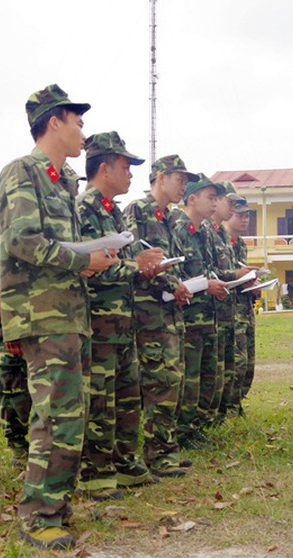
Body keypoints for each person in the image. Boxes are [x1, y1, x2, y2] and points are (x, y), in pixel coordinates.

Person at [0, 84, 118, 549]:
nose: (83, 131)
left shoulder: (62, 181)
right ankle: (37, 514)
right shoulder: (21, 173)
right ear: (54, 122)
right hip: (42, 315)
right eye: (78, 121)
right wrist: (83, 260)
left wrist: (89, 258)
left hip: (68, 313)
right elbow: (22, 242)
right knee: (54, 415)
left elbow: (56, 248)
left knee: (70, 414)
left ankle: (56, 505)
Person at [76, 132, 164, 499]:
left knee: (128, 395)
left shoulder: (111, 213)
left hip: (122, 322)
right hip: (97, 322)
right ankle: (95, 471)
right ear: (105, 167)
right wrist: (135, 265)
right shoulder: (83, 210)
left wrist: (139, 267)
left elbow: (117, 263)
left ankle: (126, 462)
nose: (130, 175)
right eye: (126, 167)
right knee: (100, 400)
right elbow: (90, 265)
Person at [124, 155, 194, 478]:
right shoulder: (137, 211)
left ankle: (167, 446)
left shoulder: (169, 218)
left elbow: (173, 261)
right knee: (158, 379)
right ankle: (156, 452)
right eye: (179, 179)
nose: (183, 186)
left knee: (173, 377)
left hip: (170, 309)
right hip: (148, 310)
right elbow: (135, 260)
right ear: (161, 177)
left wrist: (182, 285)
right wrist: (171, 283)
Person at [173, 175, 229, 445]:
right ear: (192, 199)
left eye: (217, 198)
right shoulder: (178, 229)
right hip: (189, 316)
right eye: (210, 197)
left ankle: (194, 426)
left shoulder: (204, 231)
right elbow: (176, 275)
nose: (215, 203)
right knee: (190, 377)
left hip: (207, 314)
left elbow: (208, 270)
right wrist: (205, 285)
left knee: (206, 374)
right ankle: (181, 431)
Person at [0, 214, 31, 468]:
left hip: (39, 319)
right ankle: (19, 447)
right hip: (10, 319)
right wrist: (9, 328)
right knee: (14, 388)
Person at [204, 183, 255, 422]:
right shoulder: (207, 232)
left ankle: (231, 406)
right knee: (224, 364)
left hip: (237, 307)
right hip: (217, 311)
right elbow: (210, 271)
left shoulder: (228, 238)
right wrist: (236, 275)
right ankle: (218, 412)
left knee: (241, 362)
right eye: (233, 207)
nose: (243, 218)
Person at [224, 197, 258, 414]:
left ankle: (238, 402)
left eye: (247, 216)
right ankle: (229, 405)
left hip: (245, 306)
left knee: (248, 362)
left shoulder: (241, 244)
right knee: (236, 360)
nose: (245, 220)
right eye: (240, 215)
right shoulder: (221, 242)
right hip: (230, 309)